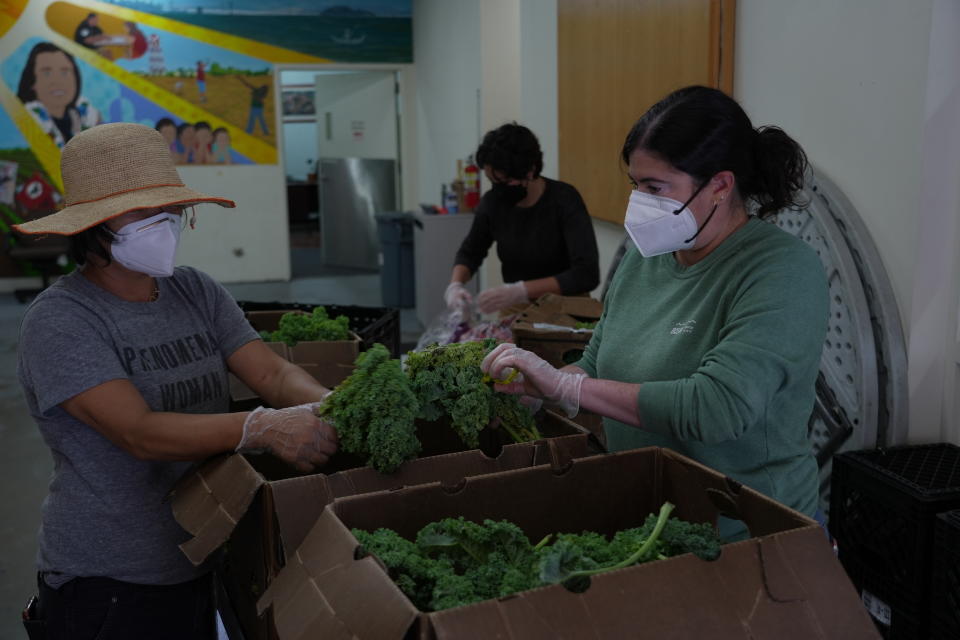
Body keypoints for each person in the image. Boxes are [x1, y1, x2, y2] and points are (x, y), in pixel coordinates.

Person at [14, 122, 338, 639]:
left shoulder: (194, 290)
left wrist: (331, 406)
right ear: (92, 225)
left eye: (169, 209)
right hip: (113, 579)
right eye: (143, 212)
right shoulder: (62, 320)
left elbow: (271, 371)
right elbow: (138, 432)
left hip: (202, 550)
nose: (162, 223)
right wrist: (262, 428)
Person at [482, 86, 829, 541]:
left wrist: (569, 386)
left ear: (720, 186)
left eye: (655, 188)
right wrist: (537, 386)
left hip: (746, 535)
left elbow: (717, 408)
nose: (640, 203)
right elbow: (598, 364)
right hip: (649, 520)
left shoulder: (782, 272)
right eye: (636, 185)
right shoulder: (645, 259)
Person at [445, 123, 599, 315]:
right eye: (493, 181)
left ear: (530, 170)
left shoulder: (564, 199)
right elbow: (470, 252)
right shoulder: (493, 203)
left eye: (505, 181)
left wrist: (521, 290)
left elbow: (586, 274)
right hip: (517, 311)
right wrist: (456, 284)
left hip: (568, 309)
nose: (498, 188)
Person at [17, 42, 101, 148]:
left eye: (65, 72)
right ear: (32, 83)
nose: (57, 81)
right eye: (46, 73)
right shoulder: (26, 120)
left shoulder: (86, 111)